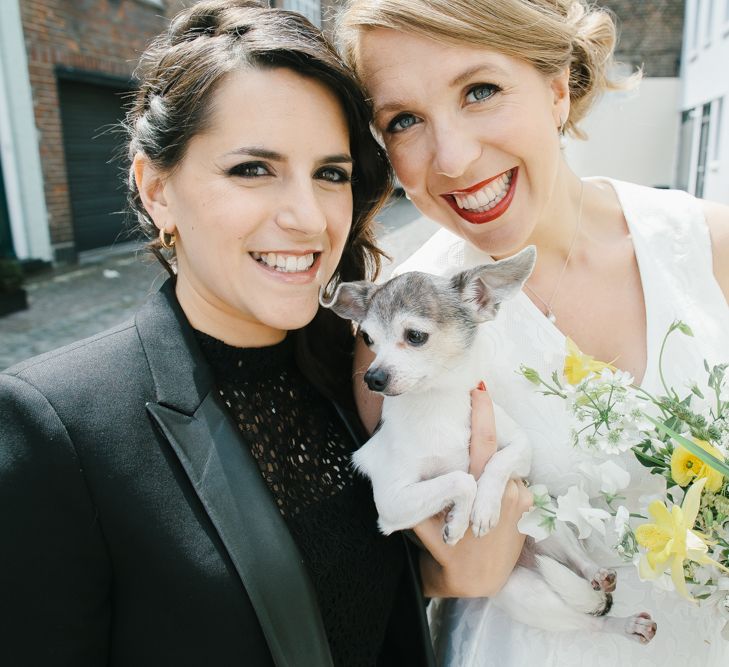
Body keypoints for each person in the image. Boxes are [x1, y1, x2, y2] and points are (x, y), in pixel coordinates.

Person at [0, 2, 438, 664]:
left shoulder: (362, 378)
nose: (306, 217)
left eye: (330, 173)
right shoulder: (55, 428)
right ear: (157, 190)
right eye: (252, 169)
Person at [336, 0, 729, 664]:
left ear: (555, 84)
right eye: (403, 120)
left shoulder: (708, 245)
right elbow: (383, 574)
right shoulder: (398, 336)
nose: (453, 158)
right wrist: (457, 571)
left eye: (479, 90)